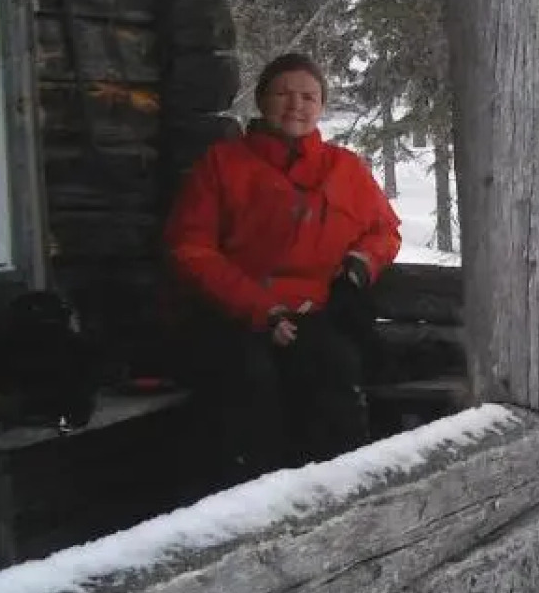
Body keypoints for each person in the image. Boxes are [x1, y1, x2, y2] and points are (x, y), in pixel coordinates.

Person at [164, 52, 401, 484]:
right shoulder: (222, 165)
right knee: (249, 386)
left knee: (336, 372)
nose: (296, 105)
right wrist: (260, 310)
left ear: (322, 105)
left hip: (318, 316)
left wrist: (358, 268)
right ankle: (251, 510)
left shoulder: (345, 167)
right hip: (236, 318)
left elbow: (384, 232)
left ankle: (340, 495)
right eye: (283, 94)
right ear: (261, 100)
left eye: (309, 96)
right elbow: (191, 249)